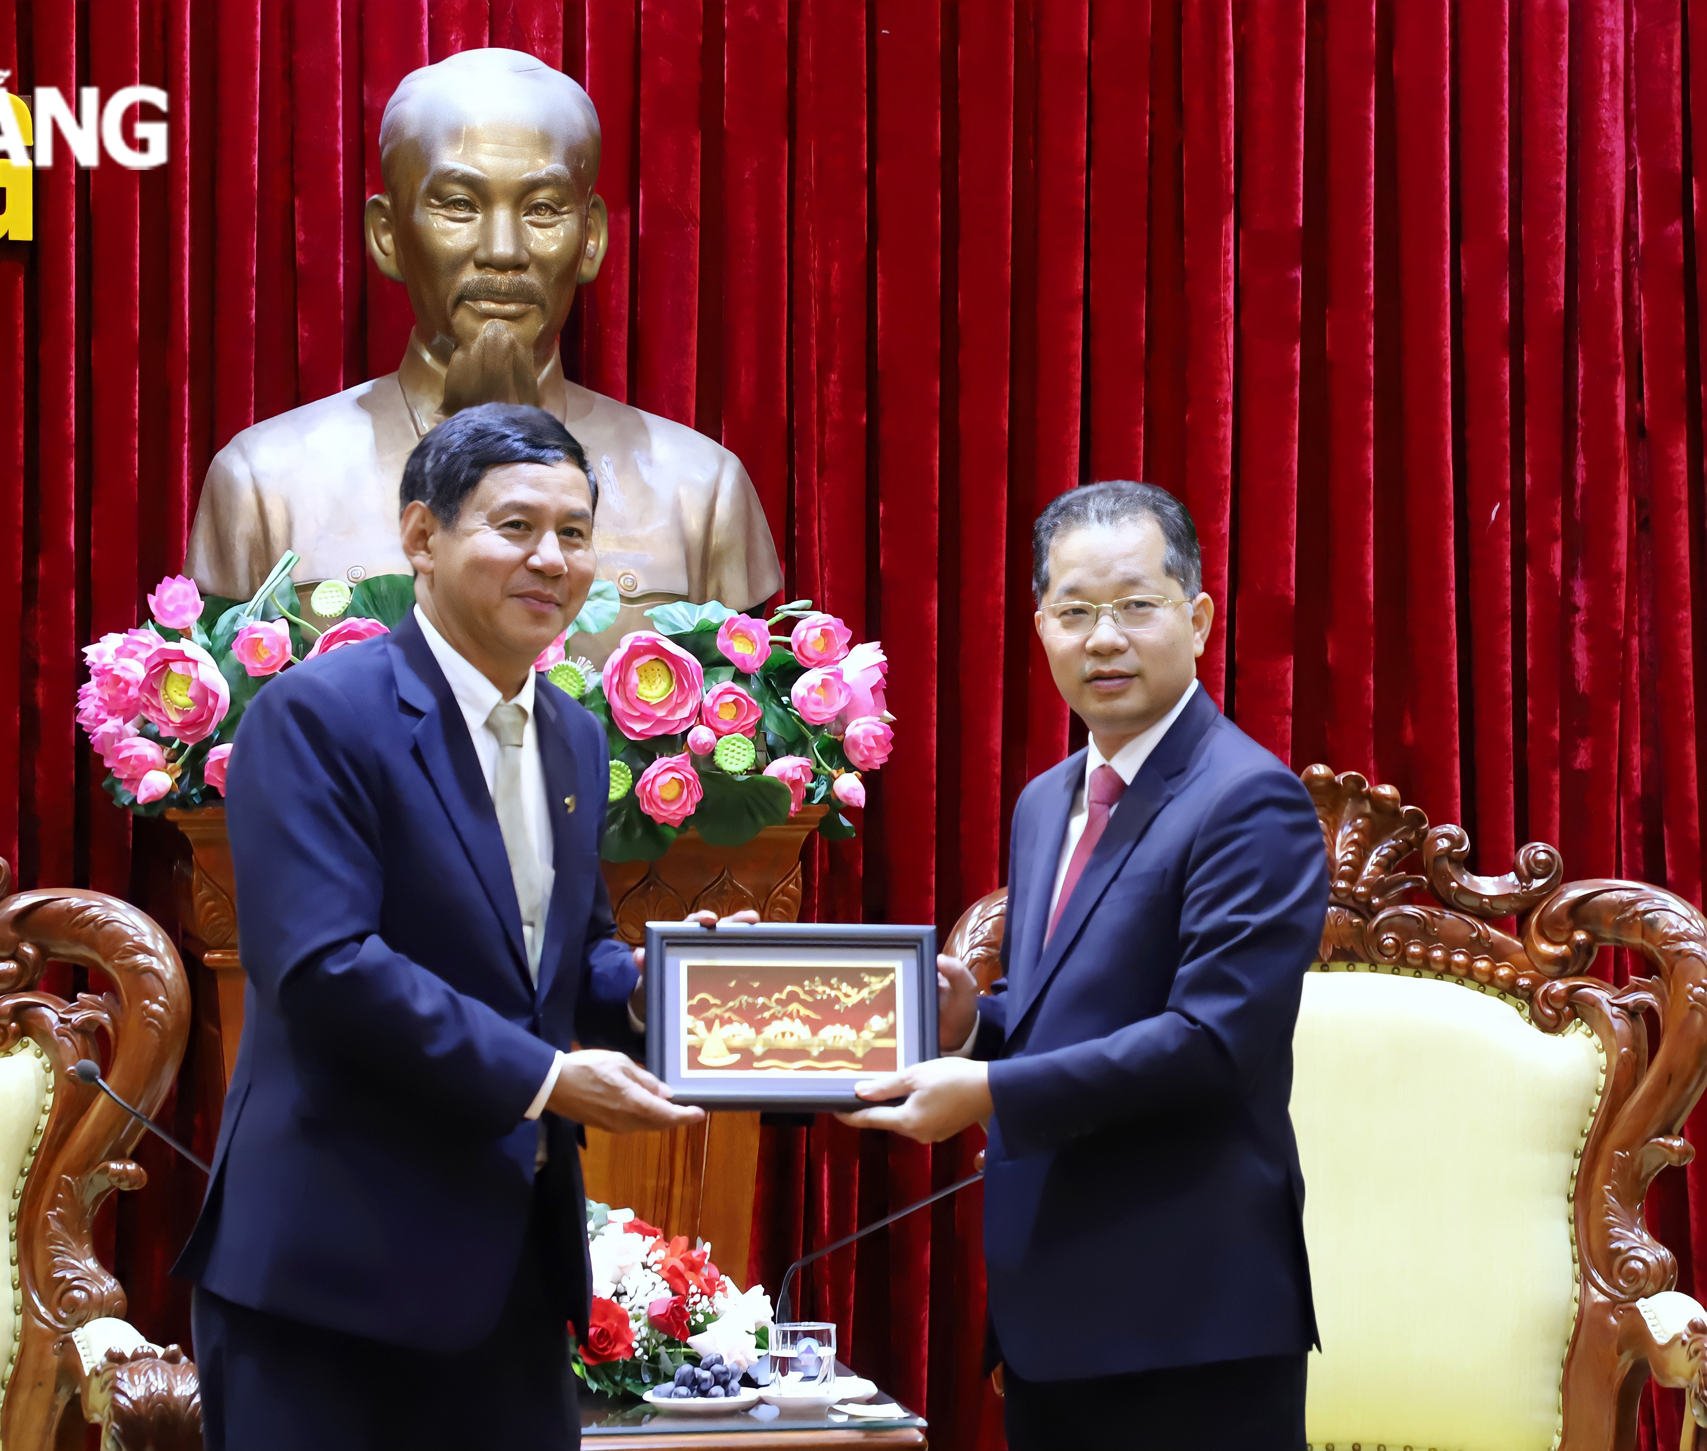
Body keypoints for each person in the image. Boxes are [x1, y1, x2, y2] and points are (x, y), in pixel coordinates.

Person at [175, 403, 710, 1450]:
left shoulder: (568, 729)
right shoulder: (317, 715)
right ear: (421, 537)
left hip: (510, 1271)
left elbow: (562, 961)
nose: (550, 559)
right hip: (332, 1280)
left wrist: (653, 988)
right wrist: (548, 1078)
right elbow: (326, 967)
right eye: (513, 527)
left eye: (573, 532)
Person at [841, 481, 1328, 1450]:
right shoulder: (1045, 799)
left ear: (1195, 618)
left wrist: (984, 1087)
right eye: (1073, 611)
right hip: (1051, 1309)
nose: (1102, 637)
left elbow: (1210, 1040)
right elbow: (1069, 1006)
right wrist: (969, 1022)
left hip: (1188, 1318)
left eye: (1135, 605)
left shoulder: (1247, 800)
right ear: (1039, 628)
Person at [182, 47, 781, 663]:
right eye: (459, 206)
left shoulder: (701, 493)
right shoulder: (265, 484)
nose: (502, 251)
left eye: (542, 209)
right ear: (387, 235)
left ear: (591, 238)